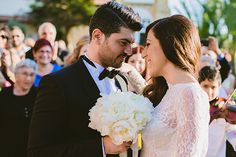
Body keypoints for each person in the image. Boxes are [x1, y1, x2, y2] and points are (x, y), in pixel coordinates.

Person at [27, 1, 142, 157]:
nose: (129, 51)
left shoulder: (121, 80)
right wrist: (101, 147)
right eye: (123, 42)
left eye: (131, 43)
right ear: (97, 36)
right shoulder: (56, 83)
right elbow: (38, 152)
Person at [141, 15, 210, 157]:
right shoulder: (171, 90)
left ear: (168, 44)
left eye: (148, 44)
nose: (143, 53)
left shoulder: (189, 93)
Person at [0, 59, 37, 157]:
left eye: (32, 75)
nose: (28, 79)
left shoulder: (38, 94)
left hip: (30, 147)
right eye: (25, 74)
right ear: (16, 75)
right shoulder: (4, 94)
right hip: (7, 147)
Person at [198, 66, 236, 157]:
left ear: (219, 86)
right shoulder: (193, 106)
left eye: (213, 87)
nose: (209, 92)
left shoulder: (224, 111)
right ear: (199, 85)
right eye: (205, 86)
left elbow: (233, 136)